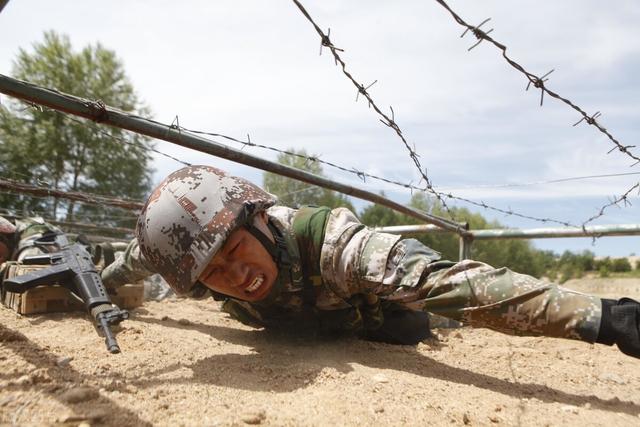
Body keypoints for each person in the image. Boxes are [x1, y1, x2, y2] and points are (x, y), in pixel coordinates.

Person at [102, 165, 640, 358]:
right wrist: (102, 286)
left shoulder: (336, 247)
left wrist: (608, 319)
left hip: (399, 320)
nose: (235, 277)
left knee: (441, 314)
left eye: (234, 251)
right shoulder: (186, 262)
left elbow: (454, 284)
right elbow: (137, 260)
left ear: (258, 218)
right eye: (212, 273)